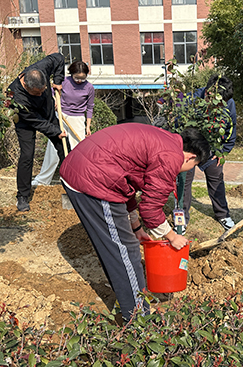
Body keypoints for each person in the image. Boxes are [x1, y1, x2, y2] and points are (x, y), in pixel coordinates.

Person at [59, 124, 210, 320]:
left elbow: (127, 181)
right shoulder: (171, 157)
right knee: (126, 249)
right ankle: (138, 319)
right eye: (194, 166)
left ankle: (128, 298)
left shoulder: (165, 141)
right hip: (94, 178)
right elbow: (150, 209)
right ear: (190, 157)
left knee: (114, 247)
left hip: (84, 169)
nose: (190, 170)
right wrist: (172, 236)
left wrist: (136, 227)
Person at [8, 53, 68, 212]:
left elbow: (59, 58)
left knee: (63, 145)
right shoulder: (15, 96)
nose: (41, 95)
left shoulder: (41, 68)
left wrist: (58, 81)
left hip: (46, 112)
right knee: (27, 155)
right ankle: (22, 196)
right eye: (37, 93)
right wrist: (55, 131)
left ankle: (71, 187)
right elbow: (36, 121)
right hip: (26, 121)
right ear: (26, 86)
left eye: (43, 91)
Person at [183, 75, 237, 231]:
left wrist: (223, 151)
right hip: (189, 148)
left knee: (216, 176)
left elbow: (231, 127)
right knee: (184, 180)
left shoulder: (229, 103)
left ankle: (223, 214)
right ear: (208, 93)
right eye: (219, 101)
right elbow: (179, 124)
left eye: (224, 102)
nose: (222, 105)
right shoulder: (191, 100)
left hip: (212, 148)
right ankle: (182, 217)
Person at [32, 61, 94, 186]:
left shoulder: (89, 88)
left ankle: (77, 180)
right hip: (61, 116)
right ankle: (42, 180)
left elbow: (90, 107)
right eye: (76, 77)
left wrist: (87, 126)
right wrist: (54, 101)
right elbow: (51, 93)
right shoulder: (64, 82)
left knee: (78, 150)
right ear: (71, 74)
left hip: (78, 119)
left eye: (82, 78)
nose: (79, 81)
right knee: (53, 149)